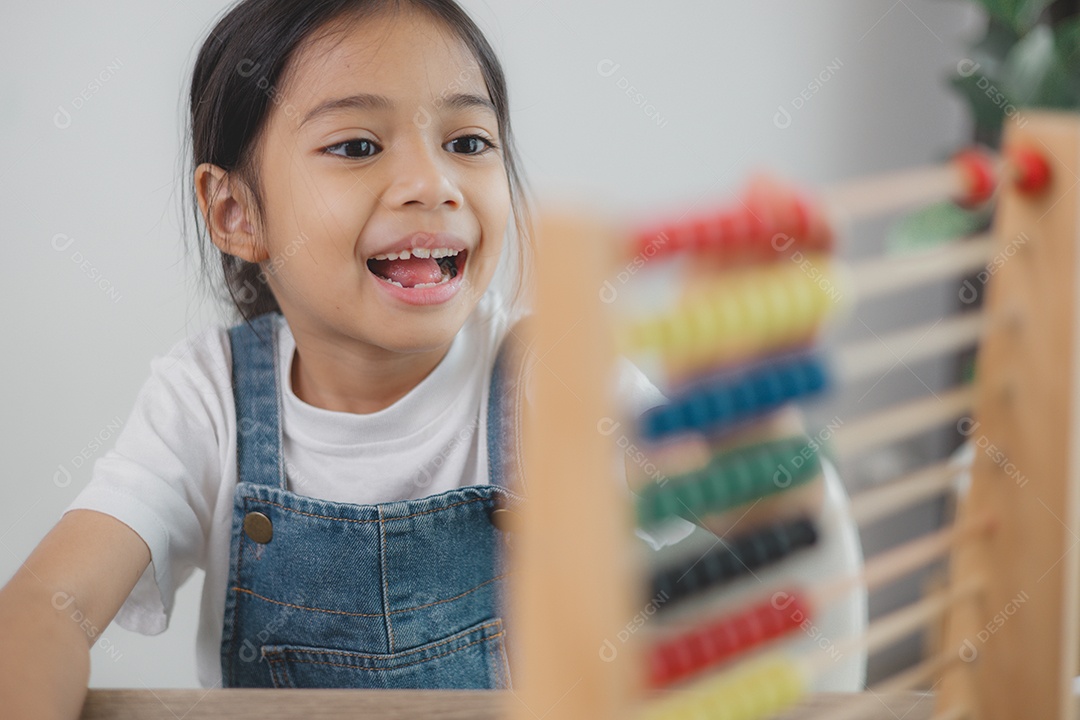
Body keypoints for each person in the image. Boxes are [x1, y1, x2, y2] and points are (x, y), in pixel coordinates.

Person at [0, 1, 678, 715]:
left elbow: (776, 500)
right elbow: (44, 606)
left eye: (469, 142)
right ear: (237, 212)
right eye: (358, 146)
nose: (432, 183)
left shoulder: (556, 376)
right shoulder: (207, 401)